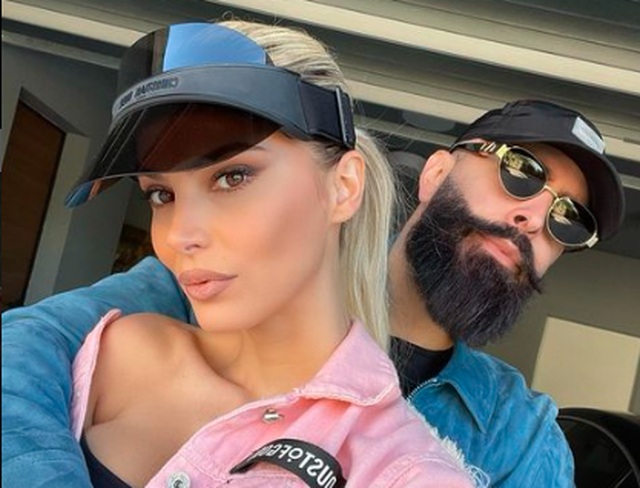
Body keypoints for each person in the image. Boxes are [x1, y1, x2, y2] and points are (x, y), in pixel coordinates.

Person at [2, 21, 479, 488]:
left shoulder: (404, 472)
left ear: (344, 187)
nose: (180, 235)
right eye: (161, 195)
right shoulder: (124, 351)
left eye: (232, 177)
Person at [388, 100, 625, 487]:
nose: (535, 220)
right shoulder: (285, 298)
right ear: (436, 174)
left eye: (568, 218)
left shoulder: (524, 440)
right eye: (522, 171)